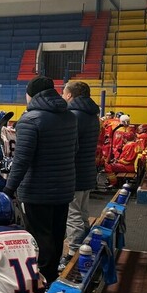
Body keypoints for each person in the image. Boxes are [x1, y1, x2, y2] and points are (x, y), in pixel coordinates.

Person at [2, 76, 77, 285]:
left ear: (31, 94)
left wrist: (8, 189)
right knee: (57, 233)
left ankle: (41, 281)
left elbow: (21, 160)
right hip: (64, 187)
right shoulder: (70, 116)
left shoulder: (30, 119)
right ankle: (52, 276)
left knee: (40, 236)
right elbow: (75, 150)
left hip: (37, 190)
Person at [62, 81, 100, 262]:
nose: (62, 96)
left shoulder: (74, 116)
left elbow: (71, 146)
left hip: (75, 172)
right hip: (88, 171)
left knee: (73, 214)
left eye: (63, 93)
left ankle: (74, 254)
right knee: (83, 212)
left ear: (70, 95)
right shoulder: (92, 115)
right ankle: (86, 245)